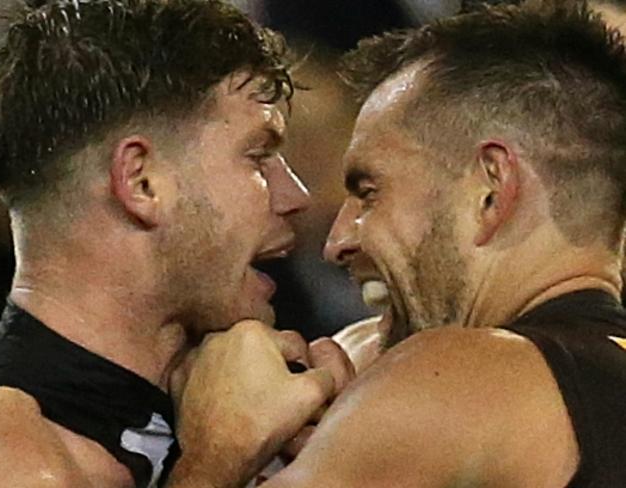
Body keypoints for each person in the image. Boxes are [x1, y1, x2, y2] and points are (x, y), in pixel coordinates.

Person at [0, 1, 354, 487]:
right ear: (142, 182)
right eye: (259, 156)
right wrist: (218, 460)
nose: (294, 197)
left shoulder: (269, 412)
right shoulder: (1, 448)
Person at [260, 1, 626, 487]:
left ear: (490, 190)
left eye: (369, 192)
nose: (338, 241)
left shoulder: (461, 374)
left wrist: (219, 442)